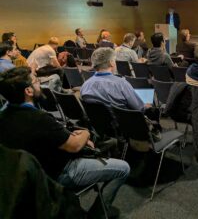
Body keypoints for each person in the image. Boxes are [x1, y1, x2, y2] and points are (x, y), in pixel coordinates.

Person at [0, 67, 130, 218]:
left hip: (28, 176)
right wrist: (86, 133)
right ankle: (98, 214)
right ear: (28, 91)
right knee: (123, 168)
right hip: (60, 172)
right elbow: (74, 146)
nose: (40, 84)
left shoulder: (3, 116)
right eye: (36, 82)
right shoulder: (39, 119)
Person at [81, 47, 151, 112]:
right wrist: (147, 106)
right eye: (114, 60)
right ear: (111, 63)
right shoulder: (122, 84)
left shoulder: (85, 85)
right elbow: (140, 108)